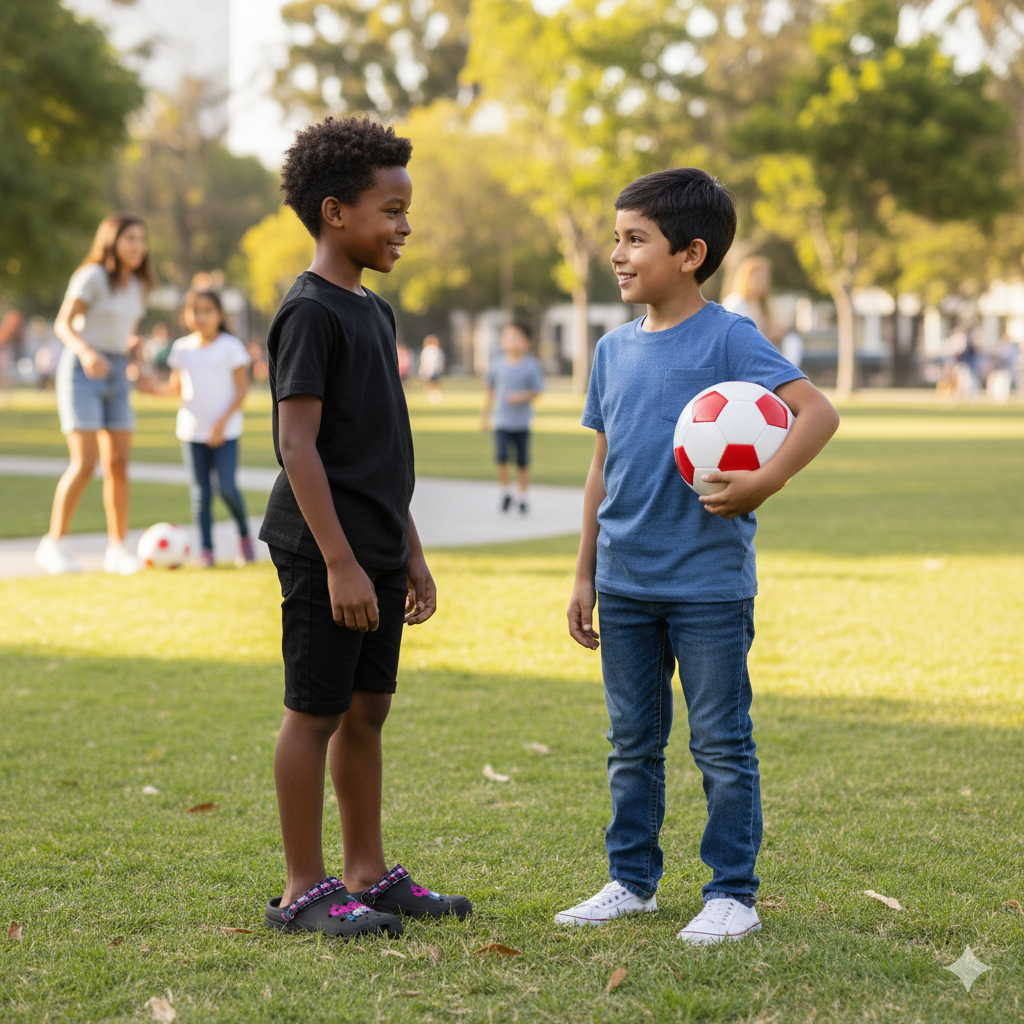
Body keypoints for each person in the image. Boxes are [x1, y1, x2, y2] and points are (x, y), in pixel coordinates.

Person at [560, 168, 839, 944]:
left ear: (691, 253)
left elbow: (817, 411)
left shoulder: (728, 337)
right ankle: (631, 881)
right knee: (631, 743)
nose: (617, 255)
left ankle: (732, 894)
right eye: (616, 239)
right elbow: (601, 468)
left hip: (708, 586)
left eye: (634, 240)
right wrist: (584, 572)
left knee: (719, 741)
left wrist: (764, 481)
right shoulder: (612, 350)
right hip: (623, 581)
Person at [257, 115, 470, 939]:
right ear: (335, 212)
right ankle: (303, 890)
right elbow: (297, 445)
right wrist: (342, 564)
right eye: (390, 210)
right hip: (322, 549)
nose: (403, 226)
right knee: (314, 711)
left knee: (367, 710)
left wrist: (408, 552)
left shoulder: (374, 313)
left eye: (406, 210)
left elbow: (380, 451)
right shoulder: (309, 312)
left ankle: (367, 874)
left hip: (377, 544)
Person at [35, 213, 153, 575]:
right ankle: (54, 543)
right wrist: (86, 352)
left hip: (117, 373)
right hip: (82, 372)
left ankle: (118, 548)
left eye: (141, 239)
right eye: (130, 238)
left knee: (118, 463)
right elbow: (63, 324)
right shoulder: (92, 276)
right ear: (112, 240)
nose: (138, 246)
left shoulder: (138, 285)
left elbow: (126, 330)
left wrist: (133, 347)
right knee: (85, 462)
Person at [141, 290, 254, 568]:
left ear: (219, 315)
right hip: (192, 433)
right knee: (200, 494)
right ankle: (207, 551)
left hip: (225, 433)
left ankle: (244, 537)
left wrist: (219, 425)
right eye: (195, 311)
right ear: (186, 316)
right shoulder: (181, 349)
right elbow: (176, 388)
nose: (201, 316)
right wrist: (154, 390)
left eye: (207, 310)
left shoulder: (231, 347)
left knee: (227, 489)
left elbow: (241, 392)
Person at [480, 321, 545, 514]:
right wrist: (484, 415)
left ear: (526, 342)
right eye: (507, 337)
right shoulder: (497, 365)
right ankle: (506, 491)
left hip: (522, 423)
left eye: (516, 337)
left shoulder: (531, 366)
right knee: (501, 457)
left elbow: (537, 390)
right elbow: (490, 391)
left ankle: (523, 496)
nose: (511, 341)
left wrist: (521, 396)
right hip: (501, 421)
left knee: (522, 461)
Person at [722, 255, 780, 343]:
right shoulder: (735, 303)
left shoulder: (762, 305)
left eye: (764, 278)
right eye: (757, 278)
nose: (762, 282)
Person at [418, 334, 445, 403]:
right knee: (434, 384)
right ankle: (434, 395)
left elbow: (423, 361)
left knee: (429, 384)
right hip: (434, 369)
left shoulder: (426, 350)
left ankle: (429, 395)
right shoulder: (437, 350)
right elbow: (441, 361)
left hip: (428, 369)